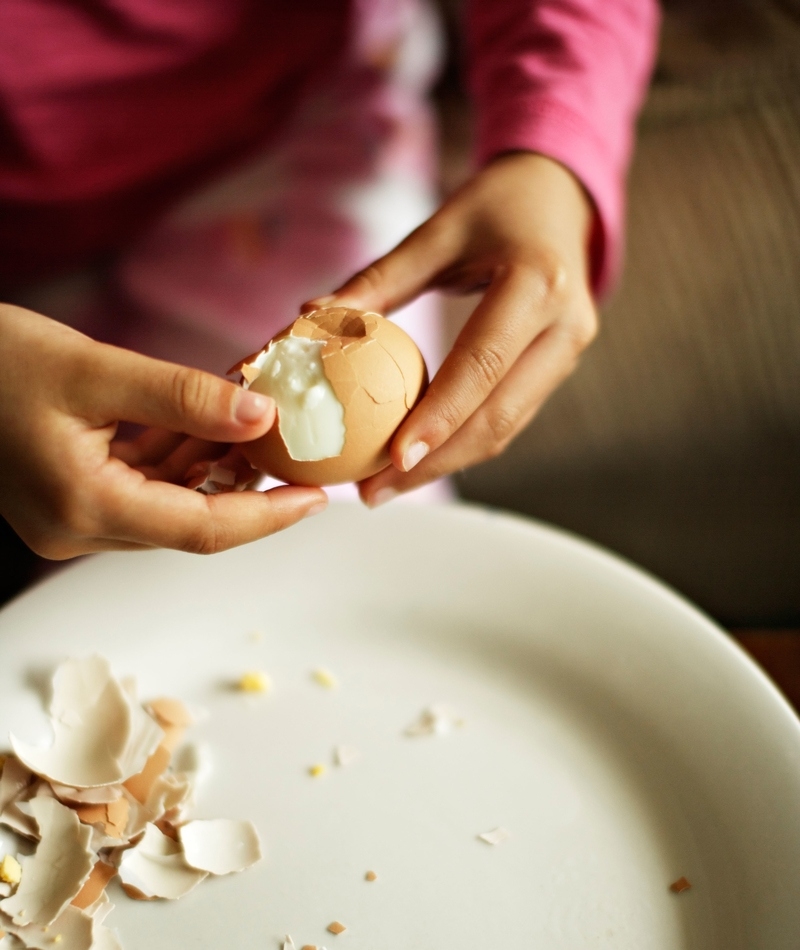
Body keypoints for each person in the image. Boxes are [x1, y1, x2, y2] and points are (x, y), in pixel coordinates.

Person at [0, 0, 659, 561]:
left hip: (285, 118)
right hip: (22, 230)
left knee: (342, 543)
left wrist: (551, 159)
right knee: (105, 554)